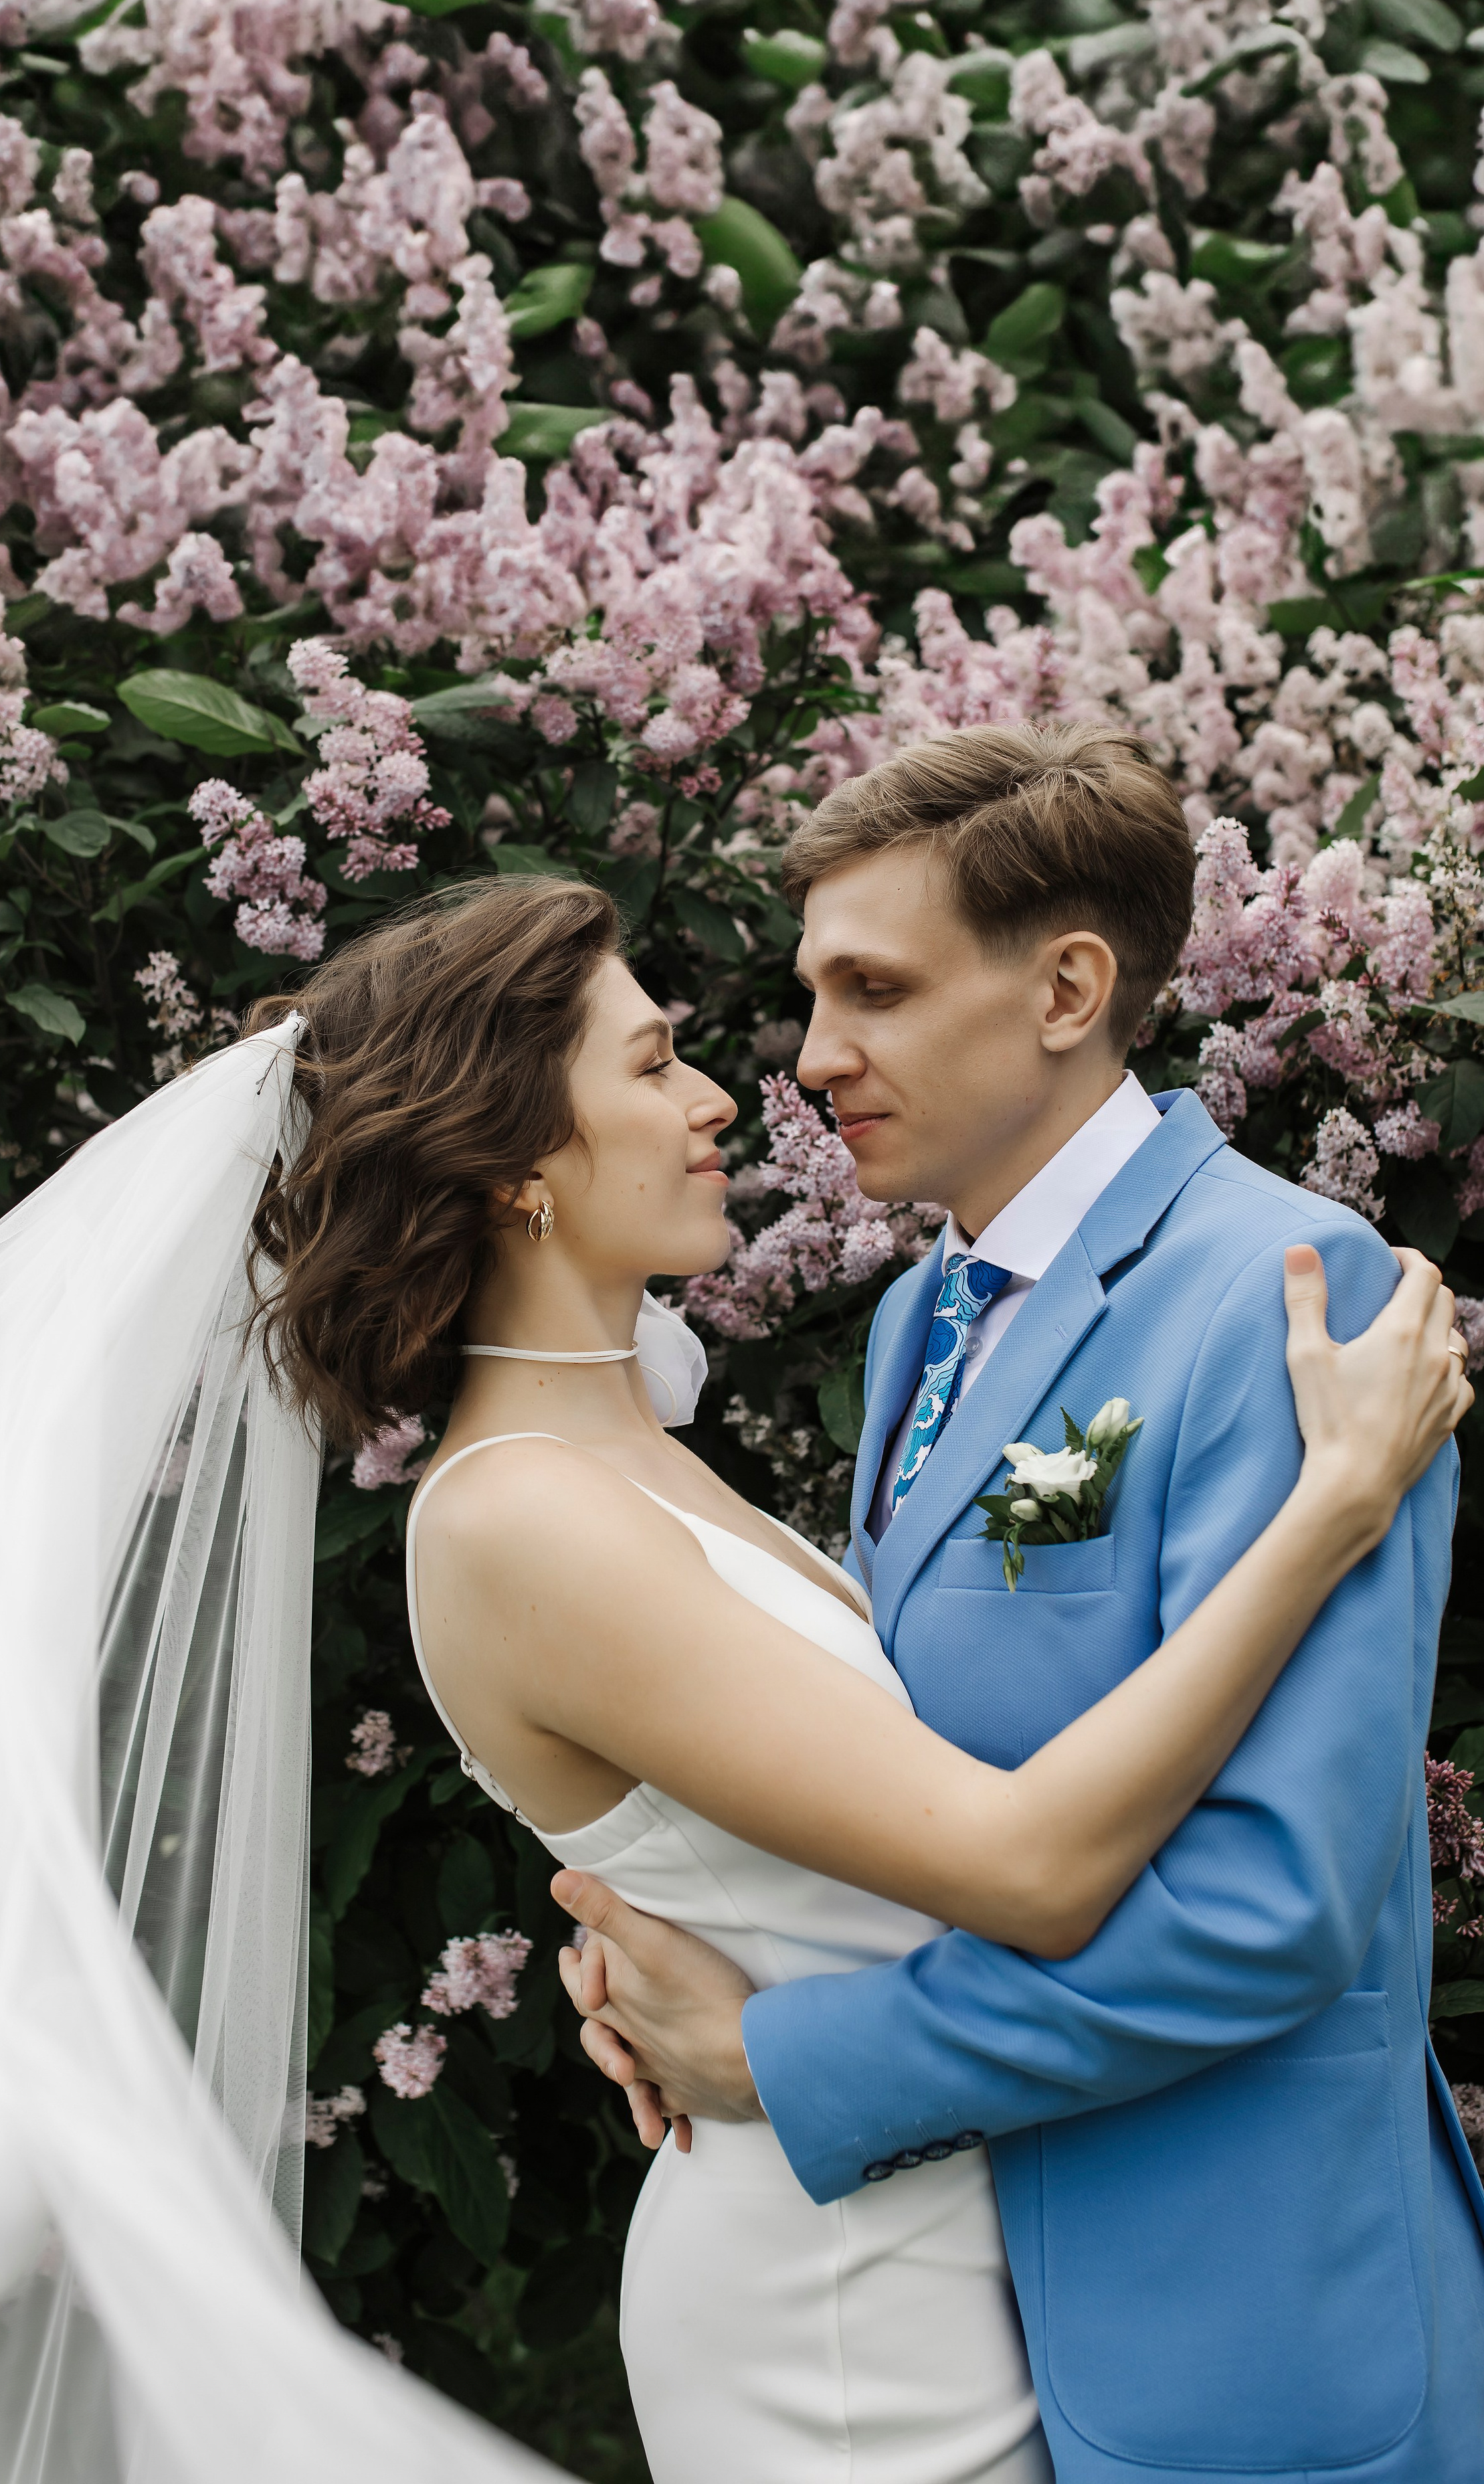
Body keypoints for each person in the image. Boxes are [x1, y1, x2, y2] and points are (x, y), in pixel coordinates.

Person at [239, 862, 1469, 2483]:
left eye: (864, 994)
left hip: (987, 2250)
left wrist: (750, 1998)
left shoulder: (680, 1430)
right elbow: (1017, 1865)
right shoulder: (525, 1513)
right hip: (835, 2321)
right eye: (651, 1061)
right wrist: (1327, 1513)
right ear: (514, 1163)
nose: (742, 1088)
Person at [551, 725, 1484, 2484]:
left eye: (875, 991)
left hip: (1229, 2325)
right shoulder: (924, 1317)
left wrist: (789, 2053)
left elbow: (1276, 1907)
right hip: (959, 2318)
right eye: (816, 994)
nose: (816, 1058)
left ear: (1068, 986)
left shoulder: (1290, 1290)